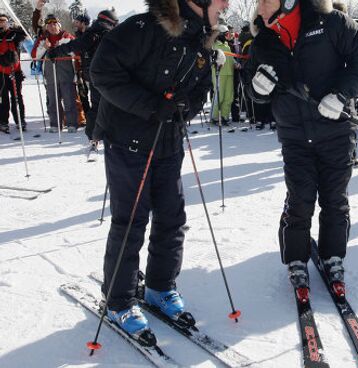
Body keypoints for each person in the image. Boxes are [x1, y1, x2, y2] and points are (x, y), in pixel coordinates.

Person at [90, 0, 228, 339]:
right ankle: (119, 299)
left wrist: (184, 106)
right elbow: (102, 73)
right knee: (131, 220)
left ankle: (159, 287)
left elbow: (199, 91)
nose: (226, 4)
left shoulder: (203, 41)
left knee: (172, 216)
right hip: (128, 139)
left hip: (168, 141)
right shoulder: (142, 27)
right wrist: (154, 107)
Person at [245, 0, 358, 299]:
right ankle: (295, 259)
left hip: (335, 130)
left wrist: (342, 95)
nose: (260, 9)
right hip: (294, 135)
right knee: (300, 198)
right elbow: (251, 89)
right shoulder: (263, 40)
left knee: (334, 198)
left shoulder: (330, 22)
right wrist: (256, 89)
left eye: (265, 1)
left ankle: (333, 256)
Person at [49, 10, 119, 142]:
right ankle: (104, 133)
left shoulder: (94, 32)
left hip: (97, 74)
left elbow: (75, 45)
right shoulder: (109, 32)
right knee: (112, 104)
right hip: (112, 75)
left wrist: (56, 51)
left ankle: (95, 135)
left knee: (98, 105)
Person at [31, 14, 79, 133]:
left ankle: (72, 124)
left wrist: (63, 46)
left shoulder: (67, 37)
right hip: (50, 75)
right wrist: (44, 47)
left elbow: (77, 52)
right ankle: (55, 124)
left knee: (69, 100)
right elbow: (34, 56)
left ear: (59, 25)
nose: (52, 27)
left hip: (66, 75)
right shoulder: (42, 39)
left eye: (55, 24)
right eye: (49, 25)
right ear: (46, 27)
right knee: (53, 101)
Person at [0, 14, 27, 134]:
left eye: (3, 21)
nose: (1, 23)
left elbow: (23, 36)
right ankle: (3, 122)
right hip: (1, 72)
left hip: (14, 71)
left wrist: (16, 26)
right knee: (3, 98)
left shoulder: (13, 34)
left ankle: (20, 120)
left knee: (17, 97)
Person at [212, 24, 234, 126]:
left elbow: (230, 58)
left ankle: (224, 116)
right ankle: (215, 117)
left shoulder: (227, 46)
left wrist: (236, 63)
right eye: (225, 34)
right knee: (219, 96)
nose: (227, 35)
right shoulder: (214, 46)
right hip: (219, 74)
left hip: (229, 73)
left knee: (229, 96)